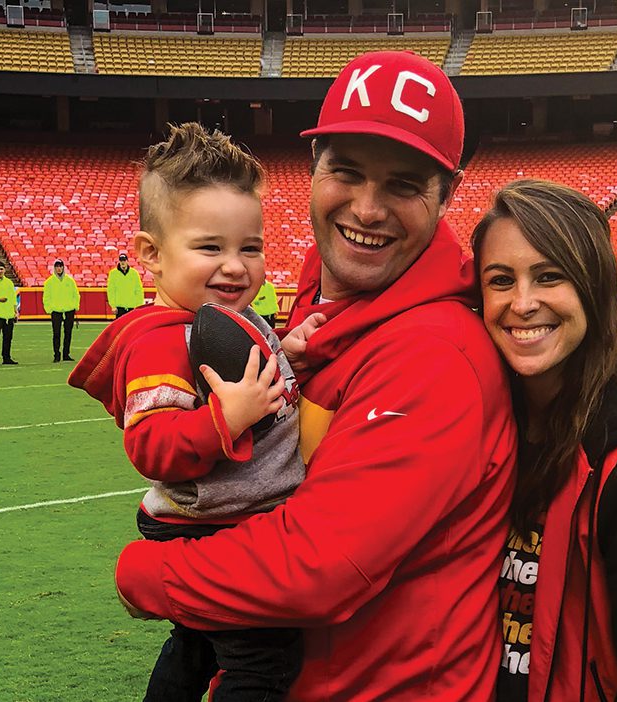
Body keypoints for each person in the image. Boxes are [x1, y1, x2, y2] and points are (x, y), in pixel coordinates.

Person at [112, 51, 517, 700]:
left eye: (404, 185)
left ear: (450, 193)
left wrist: (149, 573)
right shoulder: (316, 301)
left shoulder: (437, 354)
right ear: (312, 168)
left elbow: (323, 563)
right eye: (346, 172)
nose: (367, 207)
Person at [70, 123, 306, 702]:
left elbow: (243, 358)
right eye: (210, 247)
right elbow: (149, 445)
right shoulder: (156, 341)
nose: (235, 266)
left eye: (250, 247)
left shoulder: (222, 316)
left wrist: (287, 348)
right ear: (150, 253)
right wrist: (227, 420)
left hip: (220, 520)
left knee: (198, 640)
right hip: (210, 524)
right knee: (262, 659)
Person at [473, 180, 617, 702]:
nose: (523, 302)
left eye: (549, 276)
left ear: (593, 287)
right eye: (500, 280)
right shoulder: (489, 425)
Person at [43, 259, 79, 362]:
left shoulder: (70, 281)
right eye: (57, 266)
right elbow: (46, 297)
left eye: (60, 266)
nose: (59, 268)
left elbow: (75, 294)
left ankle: (66, 354)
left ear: (63, 267)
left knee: (68, 333)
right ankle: (56, 354)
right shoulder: (49, 282)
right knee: (56, 333)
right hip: (56, 310)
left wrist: (75, 306)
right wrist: (49, 309)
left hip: (69, 310)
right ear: (54, 268)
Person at [106, 252, 144, 319]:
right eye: (121, 260)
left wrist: (139, 305)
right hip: (119, 307)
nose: (122, 262)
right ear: (119, 261)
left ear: (127, 261)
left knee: (132, 327)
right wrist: (113, 305)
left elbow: (139, 290)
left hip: (132, 306)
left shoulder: (134, 273)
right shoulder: (113, 274)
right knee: (121, 328)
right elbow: (111, 291)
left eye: (124, 260)